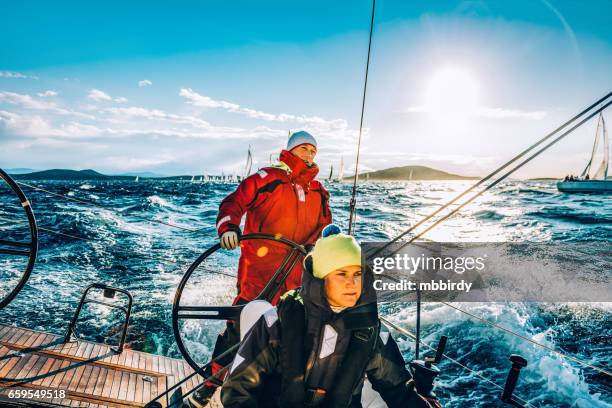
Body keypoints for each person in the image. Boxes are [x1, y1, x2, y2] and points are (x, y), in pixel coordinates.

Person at [220, 228, 443, 408]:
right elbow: (237, 392)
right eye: (341, 274)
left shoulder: (371, 330)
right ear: (320, 278)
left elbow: (399, 391)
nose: (352, 283)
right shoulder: (277, 322)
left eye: (357, 274)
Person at [189, 131, 332, 407]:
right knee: (236, 334)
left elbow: (325, 230)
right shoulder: (267, 179)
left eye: (313, 151)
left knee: (289, 341)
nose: (310, 154)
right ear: (291, 150)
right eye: (304, 148)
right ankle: (208, 388)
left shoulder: (319, 192)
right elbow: (234, 203)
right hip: (258, 279)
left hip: (296, 284)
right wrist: (229, 227)